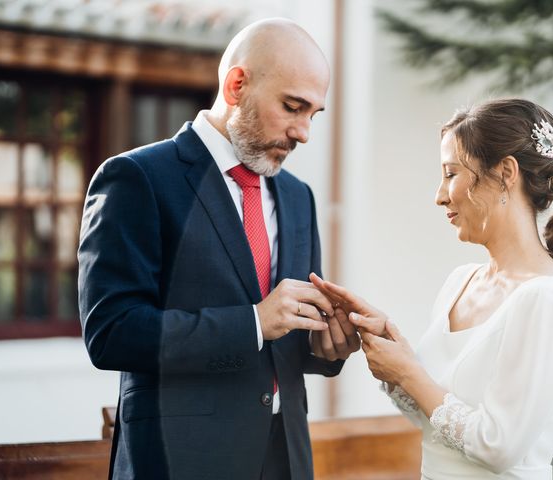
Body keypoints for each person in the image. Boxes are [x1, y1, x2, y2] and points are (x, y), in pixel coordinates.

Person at [78, 18, 360, 480]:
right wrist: (253, 321)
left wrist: (327, 347)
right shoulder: (136, 178)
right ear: (236, 85)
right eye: (293, 107)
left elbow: (285, 342)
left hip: (285, 459)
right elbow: (112, 333)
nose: (304, 132)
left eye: (314, 114)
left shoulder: (297, 197)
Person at [312, 98, 553, 479]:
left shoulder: (545, 298)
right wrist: (391, 348)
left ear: (506, 173)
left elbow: (499, 447)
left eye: (451, 174)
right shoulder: (460, 282)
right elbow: (435, 419)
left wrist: (410, 373)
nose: (440, 195)